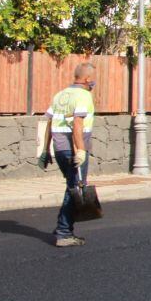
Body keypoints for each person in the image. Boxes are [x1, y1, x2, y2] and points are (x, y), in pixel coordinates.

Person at [40, 62, 97, 247]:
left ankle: (63, 227)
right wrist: (80, 150)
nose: (94, 82)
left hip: (59, 148)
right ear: (87, 79)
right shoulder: (83, 96)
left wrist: (45, 150)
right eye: (93, 79)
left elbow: (49, 123)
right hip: (74, 149)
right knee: (76, 188)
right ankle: (64, 232)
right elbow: (78, 126)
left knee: (71, 186)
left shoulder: (61, 95)